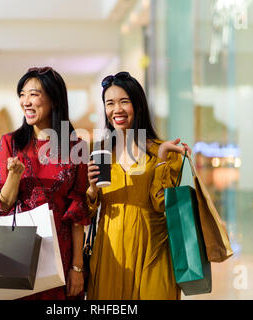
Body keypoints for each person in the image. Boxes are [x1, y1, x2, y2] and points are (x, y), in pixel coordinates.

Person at [86, 71, 191, 300]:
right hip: (110, 253)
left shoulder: (162, 151)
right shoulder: (102, 153)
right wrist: (92, 190)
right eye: (110, 103)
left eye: (125, 101)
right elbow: (88, 214)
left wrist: (162, 160)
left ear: (139, 105)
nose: (117, 109)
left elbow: (163, 204)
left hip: (153, 250)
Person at [0, 66, 90, 300]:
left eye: (33, 94)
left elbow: (78, 211)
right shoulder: (11, 143)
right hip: (18, 253)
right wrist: (14, 175)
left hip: (60, 258)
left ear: (54, 98)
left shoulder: (77, 148)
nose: (26, 101)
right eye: (22, 95)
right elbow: (1, 206)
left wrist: (77, 268)